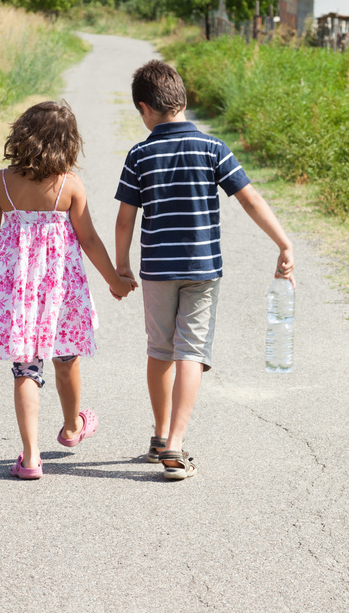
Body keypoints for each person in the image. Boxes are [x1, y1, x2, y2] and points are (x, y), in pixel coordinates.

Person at [114, 59, 295, 481]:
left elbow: (126, 219)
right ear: (184, 99)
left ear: (145, 109)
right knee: (190, 350)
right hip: (201, 268)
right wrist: (283, 243)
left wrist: (121, 265)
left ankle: (160, 437)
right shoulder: (213, 149)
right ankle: (175, 447)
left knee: (160, 349)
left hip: (158, 269)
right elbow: (250, 199)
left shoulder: (139, 154)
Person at [0, 100, 136, 480]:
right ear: (67, 144)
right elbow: (90, 241)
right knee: (66, 362)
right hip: (60, 294)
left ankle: (31, 457)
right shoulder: (69, 186)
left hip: (16, 293)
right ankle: (71, 428)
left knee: (25, 371)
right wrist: (115, 280)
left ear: (22, 136)